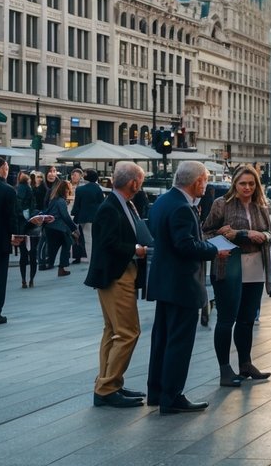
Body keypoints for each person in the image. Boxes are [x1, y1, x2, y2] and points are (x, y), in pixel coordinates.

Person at [146, 161, 229, 414]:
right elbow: (186, 245)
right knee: (179, 342)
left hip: (164, 281)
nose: (206, 184)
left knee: (161, 339)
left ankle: (157, 392)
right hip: (181, 284)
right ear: (197, 182)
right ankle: (172, 396)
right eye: (205, 179)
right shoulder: (182, 207)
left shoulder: (163, 202)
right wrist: (215, 249)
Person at [85, 161, 151, 408]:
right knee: (128, 332)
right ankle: (106, 387)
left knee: (112, 331)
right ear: (133, 182)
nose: (141, 185)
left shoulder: (123, 203)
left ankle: (110, 383)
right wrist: (136, 250)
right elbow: (108, 243)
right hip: (116, 275)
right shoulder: (111, 207)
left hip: (121, 273)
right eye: (140, 181)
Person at [202, 165, 271, 387]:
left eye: (251, 184)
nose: (247, 187)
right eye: (243, 183)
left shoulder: (260, 205)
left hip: (255, 267)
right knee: (226, 319)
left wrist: (259, 234)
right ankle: (225, 369)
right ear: (235, 183)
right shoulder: (221, 204)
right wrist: (241, 235)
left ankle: (246, 363)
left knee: (247, 319)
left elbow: (270, 233)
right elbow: (206, 231)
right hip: (228, 266)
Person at [0, 156, 21, 325]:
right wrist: (16, 236)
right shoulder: (7, 190)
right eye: (7, 167)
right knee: (0, 274)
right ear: (1, 168)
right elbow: (12, 217)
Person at [40, 180, 79, 276]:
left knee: (53, 247)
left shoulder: (53, 199)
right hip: (59, 228)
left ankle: (47, 263)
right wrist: (74, 228)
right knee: (67, 243)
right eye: (68, 190)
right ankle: (61, 268)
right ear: (65, 190)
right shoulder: (61, 201)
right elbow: (65, 216)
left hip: (50, 228)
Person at [16, 171, 44, 288]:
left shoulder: (17, 190)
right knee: (33, 255)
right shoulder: (31, 190)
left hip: (20, 228)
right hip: (33, 228)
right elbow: (36, 205)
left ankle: (23, 280)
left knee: (23, 255)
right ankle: (31, 280)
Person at [72, 169, 104, 263]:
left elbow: (77, 206)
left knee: (87, 238)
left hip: (84, 217)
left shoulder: (80, 189)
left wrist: (74, 216)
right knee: (94, 238)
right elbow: (101, 203)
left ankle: (90, 258)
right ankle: (95, 257)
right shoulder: (98, 188)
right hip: (96, 216)